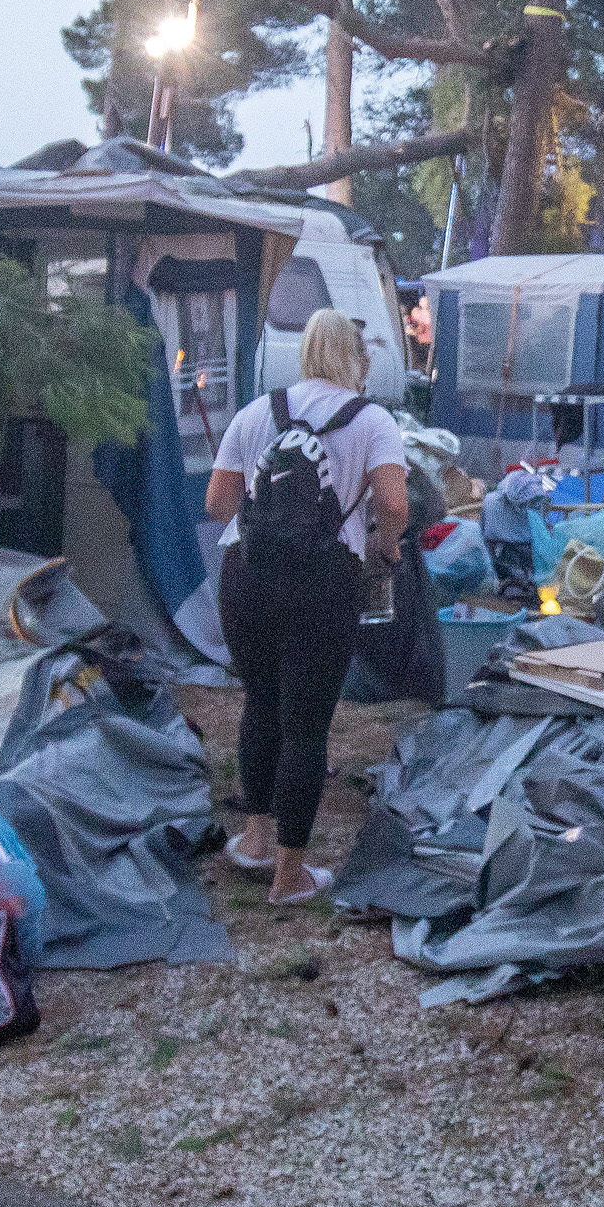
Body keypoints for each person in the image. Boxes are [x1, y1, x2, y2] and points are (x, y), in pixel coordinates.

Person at [203, 308, 408, 905]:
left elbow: (218, 502)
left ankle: (257, 836)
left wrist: (267, 517)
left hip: (245, 575)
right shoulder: (372, 421)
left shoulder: (256, 411)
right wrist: (381, 545)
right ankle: (290, 876)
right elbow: (393, 504)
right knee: (307, 725)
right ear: (356, 359)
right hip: (323, 584)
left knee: (260, 702)